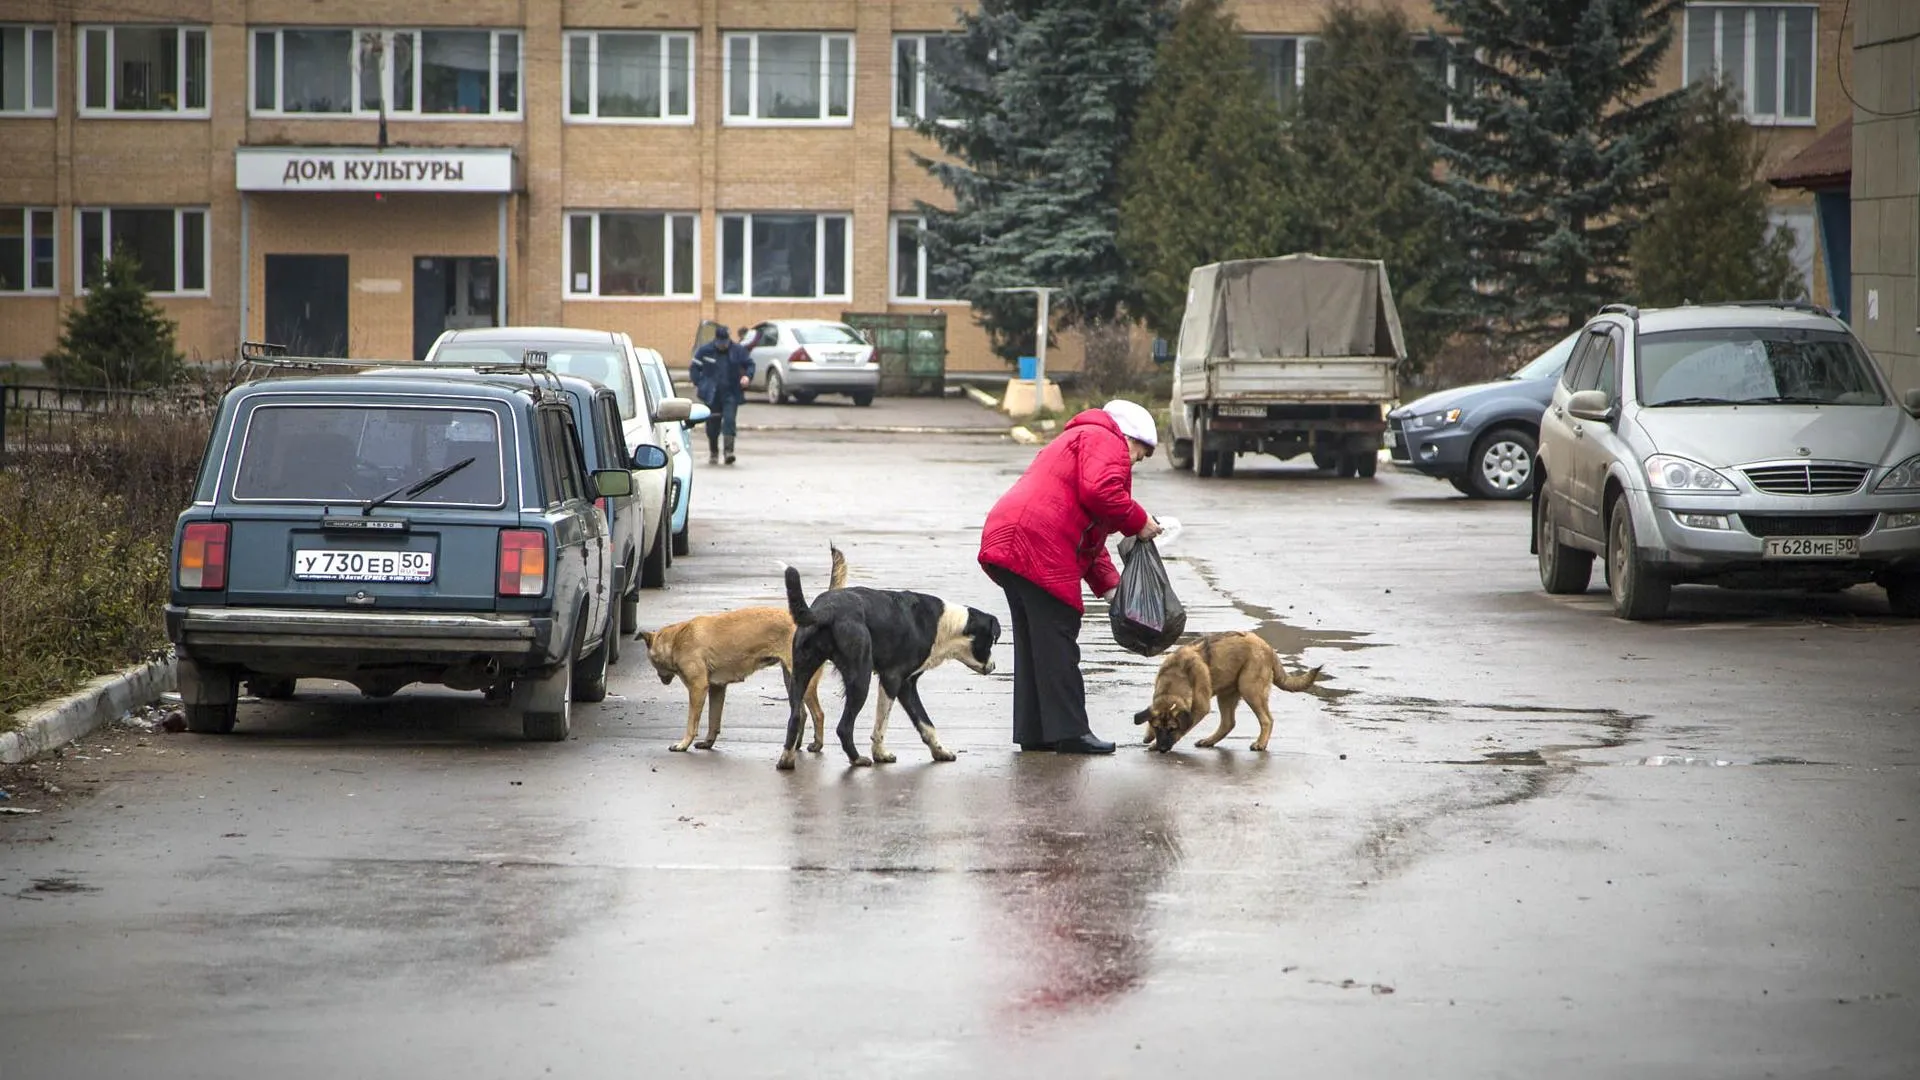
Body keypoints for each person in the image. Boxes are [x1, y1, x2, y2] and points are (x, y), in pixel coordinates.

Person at [978, 400, 1164, 755]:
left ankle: (1035, 731)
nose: (1136, 462)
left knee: (1037, 642)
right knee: (1058, 634)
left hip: (1011, 538)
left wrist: (1113, 590)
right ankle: (1070, 731)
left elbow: (1090, 537)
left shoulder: (1080, 440)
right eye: (1139, 454)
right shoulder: (1105, 438)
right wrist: (1139, 522)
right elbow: (1101, 491)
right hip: (1038, 541)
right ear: (1130, 437)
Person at [691, 325, 755, 465]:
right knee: (712, 425)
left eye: (725, 342)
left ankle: (728, 452)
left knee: (729, 421)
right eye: (720, 342)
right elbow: (695, 368)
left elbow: (750, 365)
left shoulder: (738, 351)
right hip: (711, 395)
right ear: (716, 340)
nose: (722, 345)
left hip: (731, 393)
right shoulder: (705, 350)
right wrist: (700, 384)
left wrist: (747, 377)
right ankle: (714, 452)